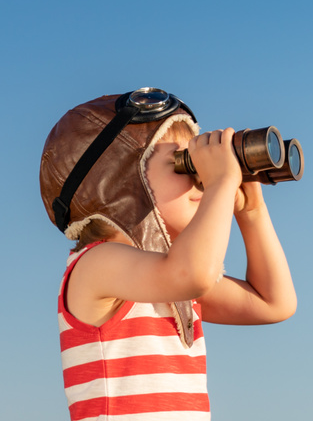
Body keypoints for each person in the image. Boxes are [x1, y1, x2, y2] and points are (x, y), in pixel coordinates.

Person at [39, 88, 297, 420]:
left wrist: (252, 212)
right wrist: (221, 182)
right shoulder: (97, 265)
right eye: (182, 163)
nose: (200, 179)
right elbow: (194, 275)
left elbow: (272, 303)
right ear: (119, 180)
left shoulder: (170, 282)